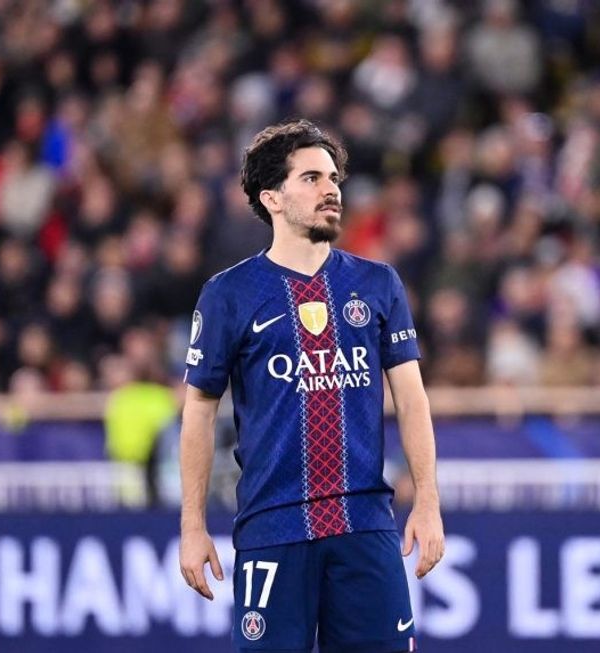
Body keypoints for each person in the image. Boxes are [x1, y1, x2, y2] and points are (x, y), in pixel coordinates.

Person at [178, 119, 444, 652]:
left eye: (334, 179)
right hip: (273, 528)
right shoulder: (229, 294)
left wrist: (428, 502)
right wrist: (192, 526)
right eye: (312, 178)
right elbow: (199, 412)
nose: (331, 190)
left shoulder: (377, 283)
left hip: (364, 524)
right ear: (272, 198)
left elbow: (412, 400)